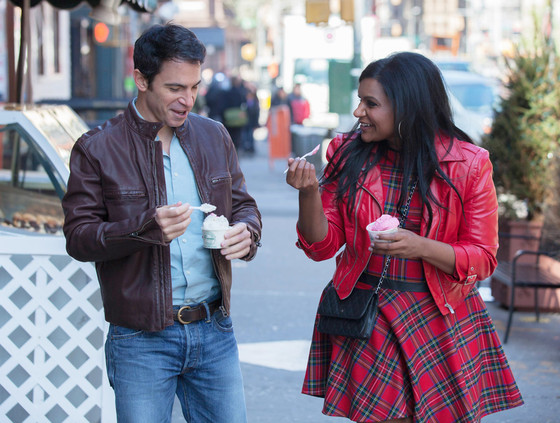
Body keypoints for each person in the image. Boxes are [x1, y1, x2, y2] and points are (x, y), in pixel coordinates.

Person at [285, 52, 523, 423]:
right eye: (360, 100)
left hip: (439, 316)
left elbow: (483, 258)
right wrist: (308, 192)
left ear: (407, 107)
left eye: (371, 103)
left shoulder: (469, 164)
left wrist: (420, 247)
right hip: (369, 315)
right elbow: (322, 246)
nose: (358, 112)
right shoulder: (347, 154)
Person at [62, 24, 262, 423]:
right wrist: (142, 229)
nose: (187, 100)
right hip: (140, 338)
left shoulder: (214, 135)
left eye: (194, 86)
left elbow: (244, 206)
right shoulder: (97, 147)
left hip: (215, 329)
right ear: (140, 79)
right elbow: (78, 238)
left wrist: (248, 233)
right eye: (175, 88)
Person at [223, 75, 248, 150]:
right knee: (237, 137)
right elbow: (244, 104)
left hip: (229, 118)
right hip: (238, 117)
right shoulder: (240, 92)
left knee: (229, 136)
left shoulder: (226, 93)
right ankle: (235, 151)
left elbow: (223, 106)